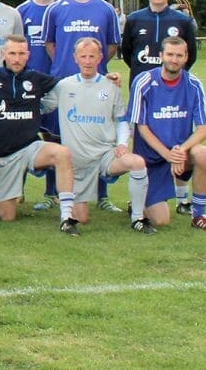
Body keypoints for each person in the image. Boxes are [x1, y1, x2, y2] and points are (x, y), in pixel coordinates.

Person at [0, 36, 78, 233]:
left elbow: (70, 84)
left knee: (62, 153)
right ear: (3, 54)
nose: (17, 59)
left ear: (28, 55)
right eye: (12, 53)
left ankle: (67, 216)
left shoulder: (36, 78)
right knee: (7, 216)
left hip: (31, 147)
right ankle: (1, 194)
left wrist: (107, 79)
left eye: (21, 54)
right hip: (3, 155)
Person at [40, 0, 122, 212]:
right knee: (57, 138)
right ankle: (51, 192)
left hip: (96, 85)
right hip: (64, 83)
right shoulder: (56, 9)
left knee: (97, 136)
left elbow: (111, 45)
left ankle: (102, 195)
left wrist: (92, 67)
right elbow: (49, 43)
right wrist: (68, 65)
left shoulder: (105, 9)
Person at [56, 37, 157, 234]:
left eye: (92, 56)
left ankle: (138, 218)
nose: (87, 61)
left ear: (100, 58)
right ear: (75, 58)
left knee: (137, 162)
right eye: (83, 56)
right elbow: (41, 105)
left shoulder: (111, 86)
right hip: (78, 161)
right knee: (81, 218)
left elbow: (121, 119)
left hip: (105, 155)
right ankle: (68, 203)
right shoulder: (63, 86)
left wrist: (121, 143)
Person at [120, 0, 200, 213]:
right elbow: (128, 52)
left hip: (173, 90)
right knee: (142, 141)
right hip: (144, 91)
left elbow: (190, 56)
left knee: (177, 138)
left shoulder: (182, 21)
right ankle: (141, 193)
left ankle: (182, 198)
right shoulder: (134, 19)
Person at [129, 37, 206, 231]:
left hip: (179, 153)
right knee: (161, 220)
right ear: (161, 55)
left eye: (179, 55)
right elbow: (142, 129)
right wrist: (168, 154)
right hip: (152, 159)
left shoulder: (194, 84)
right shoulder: (144, 82)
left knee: (202, 153)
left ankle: (199, 215)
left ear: (186, 57)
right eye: (170, 54)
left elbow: (204, 129)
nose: (174, 59)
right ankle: (138, 202)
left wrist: (180, 150)